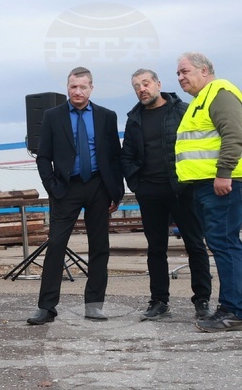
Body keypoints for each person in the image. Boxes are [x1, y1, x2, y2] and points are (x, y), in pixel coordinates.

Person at [27, 66, 124, 325]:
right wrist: (52, 187)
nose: (77, 91)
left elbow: (115, 156)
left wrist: (117, 191)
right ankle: (46, 308)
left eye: (82, 87)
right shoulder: (52, 116)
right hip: (65, 189)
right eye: (73, 87)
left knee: (100, 246)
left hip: (98, 187)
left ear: (91, 88)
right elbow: (43, 156)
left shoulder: (106, 116)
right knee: (56, 245)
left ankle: (94, 305)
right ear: (67, 88)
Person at [120, 68, 211, 320]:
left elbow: (199, 145)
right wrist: (137, 184)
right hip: (150, 191)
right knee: (156, 248)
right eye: (136, 85)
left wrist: (193, 180)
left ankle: (202, 301)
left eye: (146, 83)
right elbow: (126, 155)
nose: (142, 89)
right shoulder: (134, 119)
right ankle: (159, 301)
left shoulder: (181, 110)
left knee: (195, 245)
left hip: (182, 190)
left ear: (158, 84)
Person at [174, 52, 242, 332]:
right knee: (222, 243)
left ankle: (233, 310)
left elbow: (235, 134)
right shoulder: (199, 101)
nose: (180, 78)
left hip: (222, 185)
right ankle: (232, 306)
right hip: (206, 186)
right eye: (178, 74)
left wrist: (223, 173)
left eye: (185, 71)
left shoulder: (219, 93)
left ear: (204, 70)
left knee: (224, 243)